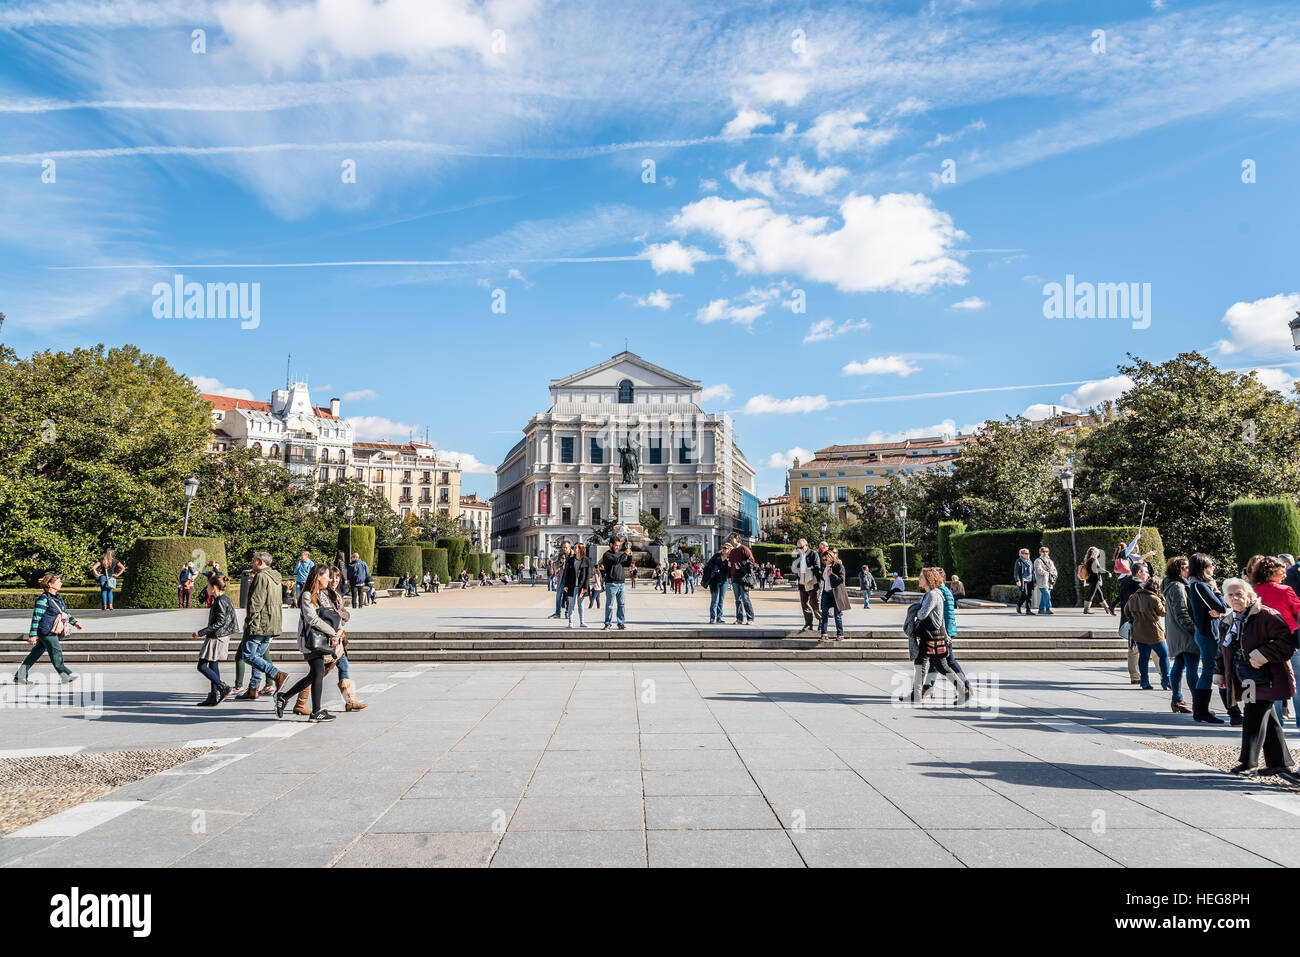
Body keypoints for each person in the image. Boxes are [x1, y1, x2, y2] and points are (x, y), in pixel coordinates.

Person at [1213, 578, 1300, 783]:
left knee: (1253, 716)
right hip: (1246, 677)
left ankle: (1248, 763)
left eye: (1239, 594)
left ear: (1250, 595)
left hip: (1267, 677)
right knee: (1267, 717)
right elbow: (1222, 649)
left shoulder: (1266, 615)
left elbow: (1286, 643)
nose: (1235, 598)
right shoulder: (1229, 621)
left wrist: (1263, 654)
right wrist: (1219, 671)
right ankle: (1280, 762)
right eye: (1231, 595)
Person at [292, 566, 366, 715]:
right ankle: (300, 702)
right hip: (325, 639)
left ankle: (349, 701)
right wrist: (335, 628)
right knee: (317, 674)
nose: (334, 580)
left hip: (336, 637)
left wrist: (339, 624)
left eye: (337, 577)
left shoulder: (334, 594)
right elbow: (321, 617)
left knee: (335, 669)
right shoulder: (317, 594)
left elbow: (344, 614)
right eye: (331, 577)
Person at [276, 565, 342, 723]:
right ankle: (316, 710)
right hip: (311, 640)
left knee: (315, 674)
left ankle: (284, 697)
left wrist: (337, 630)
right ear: (318, 576)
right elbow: (312, 619)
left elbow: (332, 615)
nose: (329, 579)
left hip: (321, 639)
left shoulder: (322, 595)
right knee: (317, 673)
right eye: (327, 576)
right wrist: (332, 632)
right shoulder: (307, 595)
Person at [1251, 556, 1300, 730]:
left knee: (1273, 684)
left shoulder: (1253, 591)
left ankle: (1276, 723)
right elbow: (1298, 611)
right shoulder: (1285, 590)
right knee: (1297, 683)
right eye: (1282, 571)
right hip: (1289, 640)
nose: (1285, 574)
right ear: (1272, 572)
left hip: (1264, 644)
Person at [906, 568, 967, 705]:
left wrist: (915, 607)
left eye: (921, 576)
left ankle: (963, 691)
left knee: (942, 666)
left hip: (933, 636)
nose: (919, 579)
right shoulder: (930, 594)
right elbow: (941, 620)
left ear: (929, 579)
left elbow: (922, 614)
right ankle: (916, 694)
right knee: (920, 662)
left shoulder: (933, 595)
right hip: (929, 634)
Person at [1189, 552, 1237, 725]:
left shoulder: (1200, 585)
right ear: (1203, 568)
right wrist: (1216, 590)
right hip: (1207, 633)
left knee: (1212, 670)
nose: (1214, 568)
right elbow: (1221, 606)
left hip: (1209, 632)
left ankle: (1204, 711)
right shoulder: (1200, 586)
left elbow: (1222, 607)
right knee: (1210, 670)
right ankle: (1201, 711)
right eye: (1211, 565)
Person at [236, 551, 289, 701]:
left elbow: (256, 602)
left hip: (259, 622)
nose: (251, 564)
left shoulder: (261, 576)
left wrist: (249, 619)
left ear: (260, 562)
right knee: (258, 656)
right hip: (272, 621)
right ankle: (253, 689)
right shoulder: (275, 577)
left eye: (253, 561)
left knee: (248, 655)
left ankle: (276, 674)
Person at [14, 572, 82, 685]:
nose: (61, 583)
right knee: (56, 650)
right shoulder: (43, 599)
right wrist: (32, 635)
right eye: (58, 581)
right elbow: (36, 617)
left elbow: (64, 613)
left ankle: (19, 676)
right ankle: (65, 674)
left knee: (35, 654)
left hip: (50, 630)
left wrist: (74, 622)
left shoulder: (57, 598)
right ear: (50, 584)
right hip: (46, 631)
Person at [923, 567, 972, 699]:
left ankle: (965, 685)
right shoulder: (945, 590)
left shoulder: (940, 592)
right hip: (948, 630)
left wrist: (945, 634)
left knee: (948, 661)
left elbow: (941, 616)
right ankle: (928, 687)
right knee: (936, 661)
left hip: (944, 631)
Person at [193, 574, 236, 706]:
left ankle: (222, 687)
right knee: (213, 664)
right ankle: (213, 695)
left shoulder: (221, 600)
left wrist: (200, 633)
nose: (206, 589)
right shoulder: (221, 599)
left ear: (214, 587)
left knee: (201, 666)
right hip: (217, 636)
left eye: (208, 586)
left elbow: (220, 622)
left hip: (216, 637)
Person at [1162, 556, 1198, 714]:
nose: (1189, 570)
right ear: (1179, 570)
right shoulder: (1178, 586)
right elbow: (1181, 613)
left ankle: (1177, 699)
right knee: (1191, 667)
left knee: (1180, 664)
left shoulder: (1171, 584)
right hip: (1185, 633)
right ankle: (1198, 702)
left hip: (1176, 632)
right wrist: (1195, 629)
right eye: (1186, 567)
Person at [1126, 568, 1170, 691]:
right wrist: (1163, 599)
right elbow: (1163, 612)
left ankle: (1144, 681)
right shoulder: (1154, 598)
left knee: (1143, 657)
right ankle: (1166, 680)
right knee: (1164, 655)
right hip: (1154, 632)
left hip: (1139, 632)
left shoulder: (1133, 597)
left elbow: (1126, 611)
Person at [1117, 560, 1148, 685]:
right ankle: (1163, 675)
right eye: (1145, 572)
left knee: (1133, 649)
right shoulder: (1140, 585)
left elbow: (1121, 598)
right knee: (1155, 649)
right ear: (1139, 572)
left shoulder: (1124, 582)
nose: (1148, 574)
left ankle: (1134, 676)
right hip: (1140, 620)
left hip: (1128, 619)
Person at [601, 537, 633, 630]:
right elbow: (616, 561)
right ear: (611, 544)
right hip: (611, 583)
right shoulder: (607, 555)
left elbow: (626, 564)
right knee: (610, 605)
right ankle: (607, 624)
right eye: (616, 545)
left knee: (621, 604)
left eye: (619, 545)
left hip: (621, 583)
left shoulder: (619, 555)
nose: (617, 547)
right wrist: (624, 554)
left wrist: (630, 556)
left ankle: (621, 623)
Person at [791, 538, 823, 632]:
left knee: (814, 603)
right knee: (804, 603)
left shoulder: (813, 554)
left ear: (806, 545)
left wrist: (808, 569)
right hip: (802, 582)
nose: (799, 549)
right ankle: (809, 623)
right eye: (798, 547)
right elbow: (794, 568)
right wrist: (797, 573)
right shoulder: (798, 555)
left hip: (812, 581)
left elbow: (817, 567)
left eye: (801, 547)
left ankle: (821, 620)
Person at [819, 546, 849, 640]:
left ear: (830, 557)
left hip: (836, 593)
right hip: (826, 592)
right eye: (823, 560)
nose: (824, 561)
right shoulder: (825, 567)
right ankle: (824, 634)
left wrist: (831, 574)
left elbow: (841, 580)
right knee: (824, 614)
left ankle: (840, 634)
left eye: (825, 559)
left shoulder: (838, 566)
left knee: (837, 615)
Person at [728, 535, 757, 625]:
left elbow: (752, 561)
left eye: (732, 538)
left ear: (737, 539)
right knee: (737, 600)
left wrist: (740, 565)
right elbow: (730, 565)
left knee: (745, 598)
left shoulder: (744, 549)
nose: (730, 539)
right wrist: (729, 576)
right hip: (735, 577)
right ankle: (739, 619)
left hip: (744, 577)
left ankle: (750, 618)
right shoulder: (732, 551)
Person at [703, 542, 731, 624]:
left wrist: (730, 566)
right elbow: (708, 565)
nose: (723, 549)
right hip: (714, 581)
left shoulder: (730, 558)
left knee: (721, 600)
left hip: (724, 582)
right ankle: (712, 618)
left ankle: (719, 617)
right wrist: (714, 569)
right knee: (714, 600)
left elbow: (731, 571)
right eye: (723, 547)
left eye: (725, 548)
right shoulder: (716, 556)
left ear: (729, 549)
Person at [564, 543, 592, 628]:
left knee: (581, 605)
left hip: (581, 587)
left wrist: (585, 587)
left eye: (576, 548)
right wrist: (565, 585)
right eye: (574, 547)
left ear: (581, 549)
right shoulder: (570, 560)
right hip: (571, 586)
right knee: (571, 604)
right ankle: (570, 622)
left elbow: (588, 575)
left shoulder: (586, 560)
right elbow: (567, 573)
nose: (574, 549)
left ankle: (582, 622)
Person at [1082, 546, 1115, 615]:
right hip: (1094, 579)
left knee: (1100, 594)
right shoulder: (1093, 560)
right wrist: (1107, 572)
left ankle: (1107, 609)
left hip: (1091, 579)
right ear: (1095, 553)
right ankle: (1086, 609)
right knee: (1091, 594)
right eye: (1097, 553)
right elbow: (1098, 569)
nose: (1098, 554)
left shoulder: (1088, 560)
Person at [1032, 546, 1057, 616]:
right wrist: (1047, 573)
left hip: (1049, 581)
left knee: (1044, 595)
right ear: (1040, 552)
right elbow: (1039, 570)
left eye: (1046, 551)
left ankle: (1041, 609)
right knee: (1046, 594)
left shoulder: (1050, 560)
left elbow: (1054, 569)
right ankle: (1048, 609)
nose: (1045, 553)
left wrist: (1054, 574)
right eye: (1043, 551)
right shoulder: (1038, 560)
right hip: (1042, 581)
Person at [551, 541, 572, 618]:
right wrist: (561, 562)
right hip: (562, 578)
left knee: (569, 597)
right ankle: (557, 613)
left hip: (570, 578)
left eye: (566, 547)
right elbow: (555, 564)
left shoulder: (573, 555)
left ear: (569, 547)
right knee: (558, 596)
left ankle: (567, 613)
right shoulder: (561, 555)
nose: (564, 549)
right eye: (563, 547)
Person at [1013, 548, 1035, 615]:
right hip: (1023, 580)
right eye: (1026, 553)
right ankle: (1018, 605)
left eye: (1028, 553)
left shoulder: (1030, 561)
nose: (1028, 554)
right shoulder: (1019, 561)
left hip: (1030, 580)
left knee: (1030, 595)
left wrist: (1035, 581)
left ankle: (1028, 610)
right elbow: (1016, 572)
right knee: (1025, 594)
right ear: (1021, 554)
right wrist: (1017, 580)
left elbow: (1033, 572)